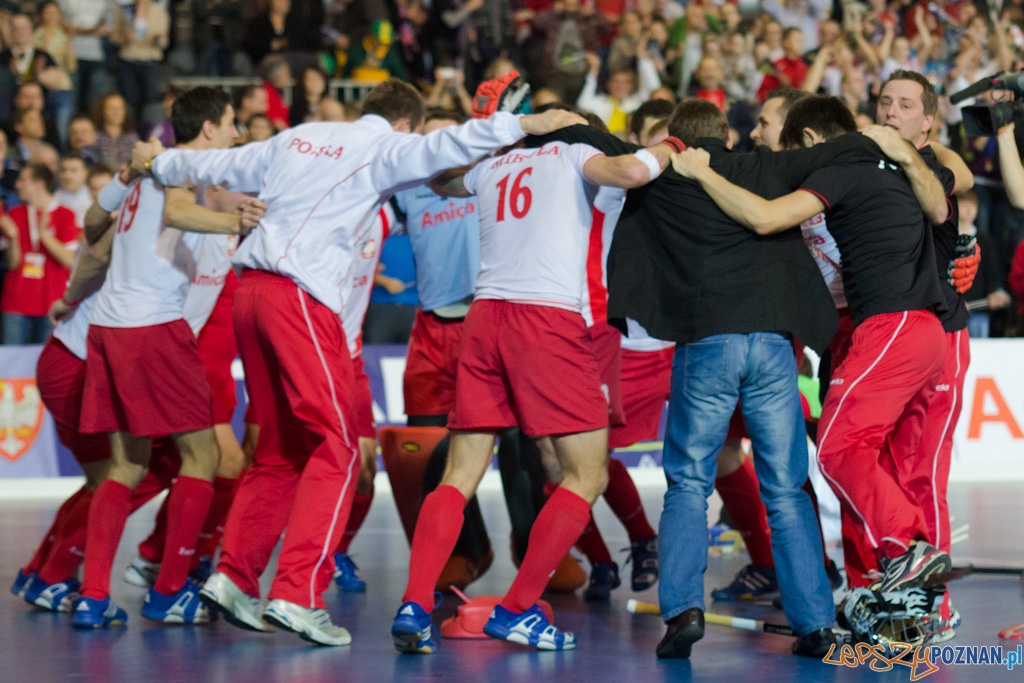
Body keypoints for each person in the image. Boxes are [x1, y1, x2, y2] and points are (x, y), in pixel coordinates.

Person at [140, 78, 586, 646]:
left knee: (278, 451)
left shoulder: (297, 137)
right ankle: (299, 593)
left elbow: (221, 163)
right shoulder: (383, 146)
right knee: (340, 449)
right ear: (403, 123)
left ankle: (232, 575)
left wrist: (156, 165)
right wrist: (523, 125)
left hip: (249, 293)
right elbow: (446, 147)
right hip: (299, 297)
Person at [390, 106, 680, 654]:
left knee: (459, 471)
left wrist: (504, 133)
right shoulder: (573, 155)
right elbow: (631, 173)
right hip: (546, 321)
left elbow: (440, 178)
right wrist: (674, 147)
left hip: (484, 317)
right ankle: (518, 610)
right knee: (584, 475)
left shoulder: (493, 169)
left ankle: (413, 601)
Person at [671, 95, 955, 642]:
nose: (756, 137)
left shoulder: (844, 168)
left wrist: (702, 172)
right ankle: (892, 599)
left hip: (891, 324)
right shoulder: (886, 163)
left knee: (836, 450)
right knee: (862, 460)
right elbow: (942, 199)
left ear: (805, 142)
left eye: (769, 127)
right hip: (890, 331)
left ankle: (911, 549)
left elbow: (765, 218)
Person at [73, 87, 250, 629]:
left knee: (126, 466)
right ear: (209, 130)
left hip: (108, 326)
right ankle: (169, 589)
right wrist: (241, 223)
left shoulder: (143, 173)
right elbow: (183, 214)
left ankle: (93, 596)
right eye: (233, 124)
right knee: (206, 460)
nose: (239, 134)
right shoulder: (177, 172)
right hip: (151, 327)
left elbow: (90, 224)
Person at [0, 163, 79, 344]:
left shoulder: (66, 214)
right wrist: (13, 236)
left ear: (39, 184)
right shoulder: (15, 214)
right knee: (11, 367)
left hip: (52, 301)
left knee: (49, 367)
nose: (18, 185)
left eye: (23, 180)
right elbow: (12, 264)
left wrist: (44, 235)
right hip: (16, 300)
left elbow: (68, 259)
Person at [112, 0, 170, 130]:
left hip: (150, 61)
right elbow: (114, 37)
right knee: (129, 100)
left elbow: (165, 41)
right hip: (128, 59)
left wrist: (156, 39)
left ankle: (148, 131)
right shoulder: (124, 10)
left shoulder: (159, 11)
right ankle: (129, 130)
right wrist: (125, 38)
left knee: (150, 101)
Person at [93, 93, 139, 169]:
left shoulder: (132, 136)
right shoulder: (95, 136)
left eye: (120, 108)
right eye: (112, 108)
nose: (116, 112)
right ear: (102, 111)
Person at [55, 154, 92, 227]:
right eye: (63, 170)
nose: (67, 175)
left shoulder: (94, 197)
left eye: (73, 170)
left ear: (86, 173)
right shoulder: (53, 199)